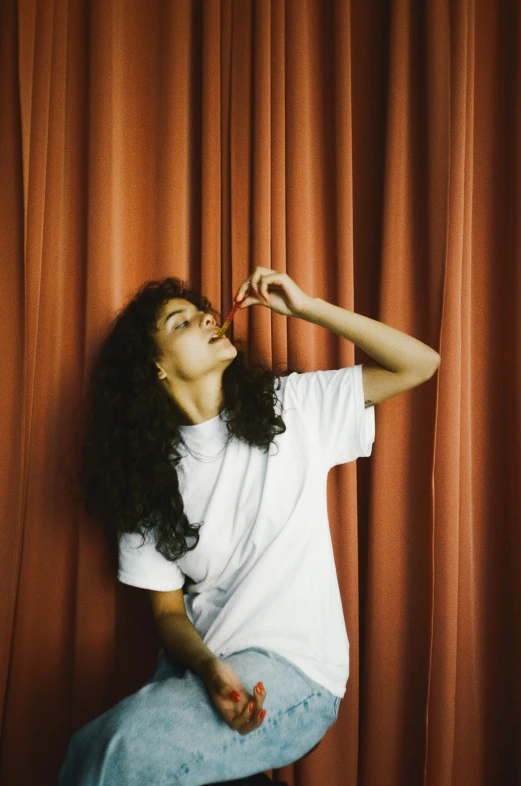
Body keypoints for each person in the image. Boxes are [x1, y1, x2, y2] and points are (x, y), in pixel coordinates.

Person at [58, 267, 440, 785]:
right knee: (87, 747)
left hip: (294, 672)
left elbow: (420, 363)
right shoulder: (146, 477)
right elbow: (168, 612)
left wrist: (307, 307)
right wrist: (209, 668)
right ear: (157, 369)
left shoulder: (291, 409)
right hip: (202, 669)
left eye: (203, 312)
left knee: (121, 751)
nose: (207, 318)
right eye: (182, 322)